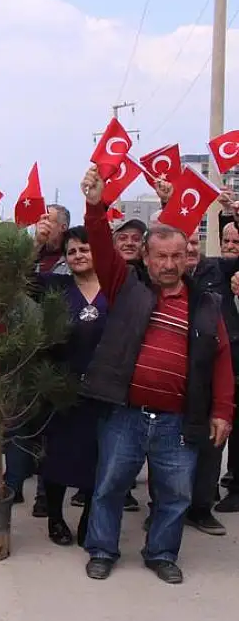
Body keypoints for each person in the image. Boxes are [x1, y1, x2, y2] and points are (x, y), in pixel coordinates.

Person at [80, 166, 234, 584]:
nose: (168, 264)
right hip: (125, 415)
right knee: (109, 486)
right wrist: (95, 207)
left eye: (176, 256)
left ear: (188, 258)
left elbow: (221, 359)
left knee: (176, 494)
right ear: (145, 258)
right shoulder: (125, 286)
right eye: (160, 256)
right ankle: (102, 550)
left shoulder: (206, 304)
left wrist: (223, 411)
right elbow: (99, 240)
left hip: (178, 420)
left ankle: (162, 553)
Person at [33, 224, 106, 547]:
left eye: (84, 249)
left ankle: (90, 516)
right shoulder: (58, 286)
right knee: (57, 457)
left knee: (98, 457)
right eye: (71, 251)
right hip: (61, 386)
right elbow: (21, 280)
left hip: (103, 389)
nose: (77, 255)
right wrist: (36, 243)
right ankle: (55, 517)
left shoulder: (115, 288)